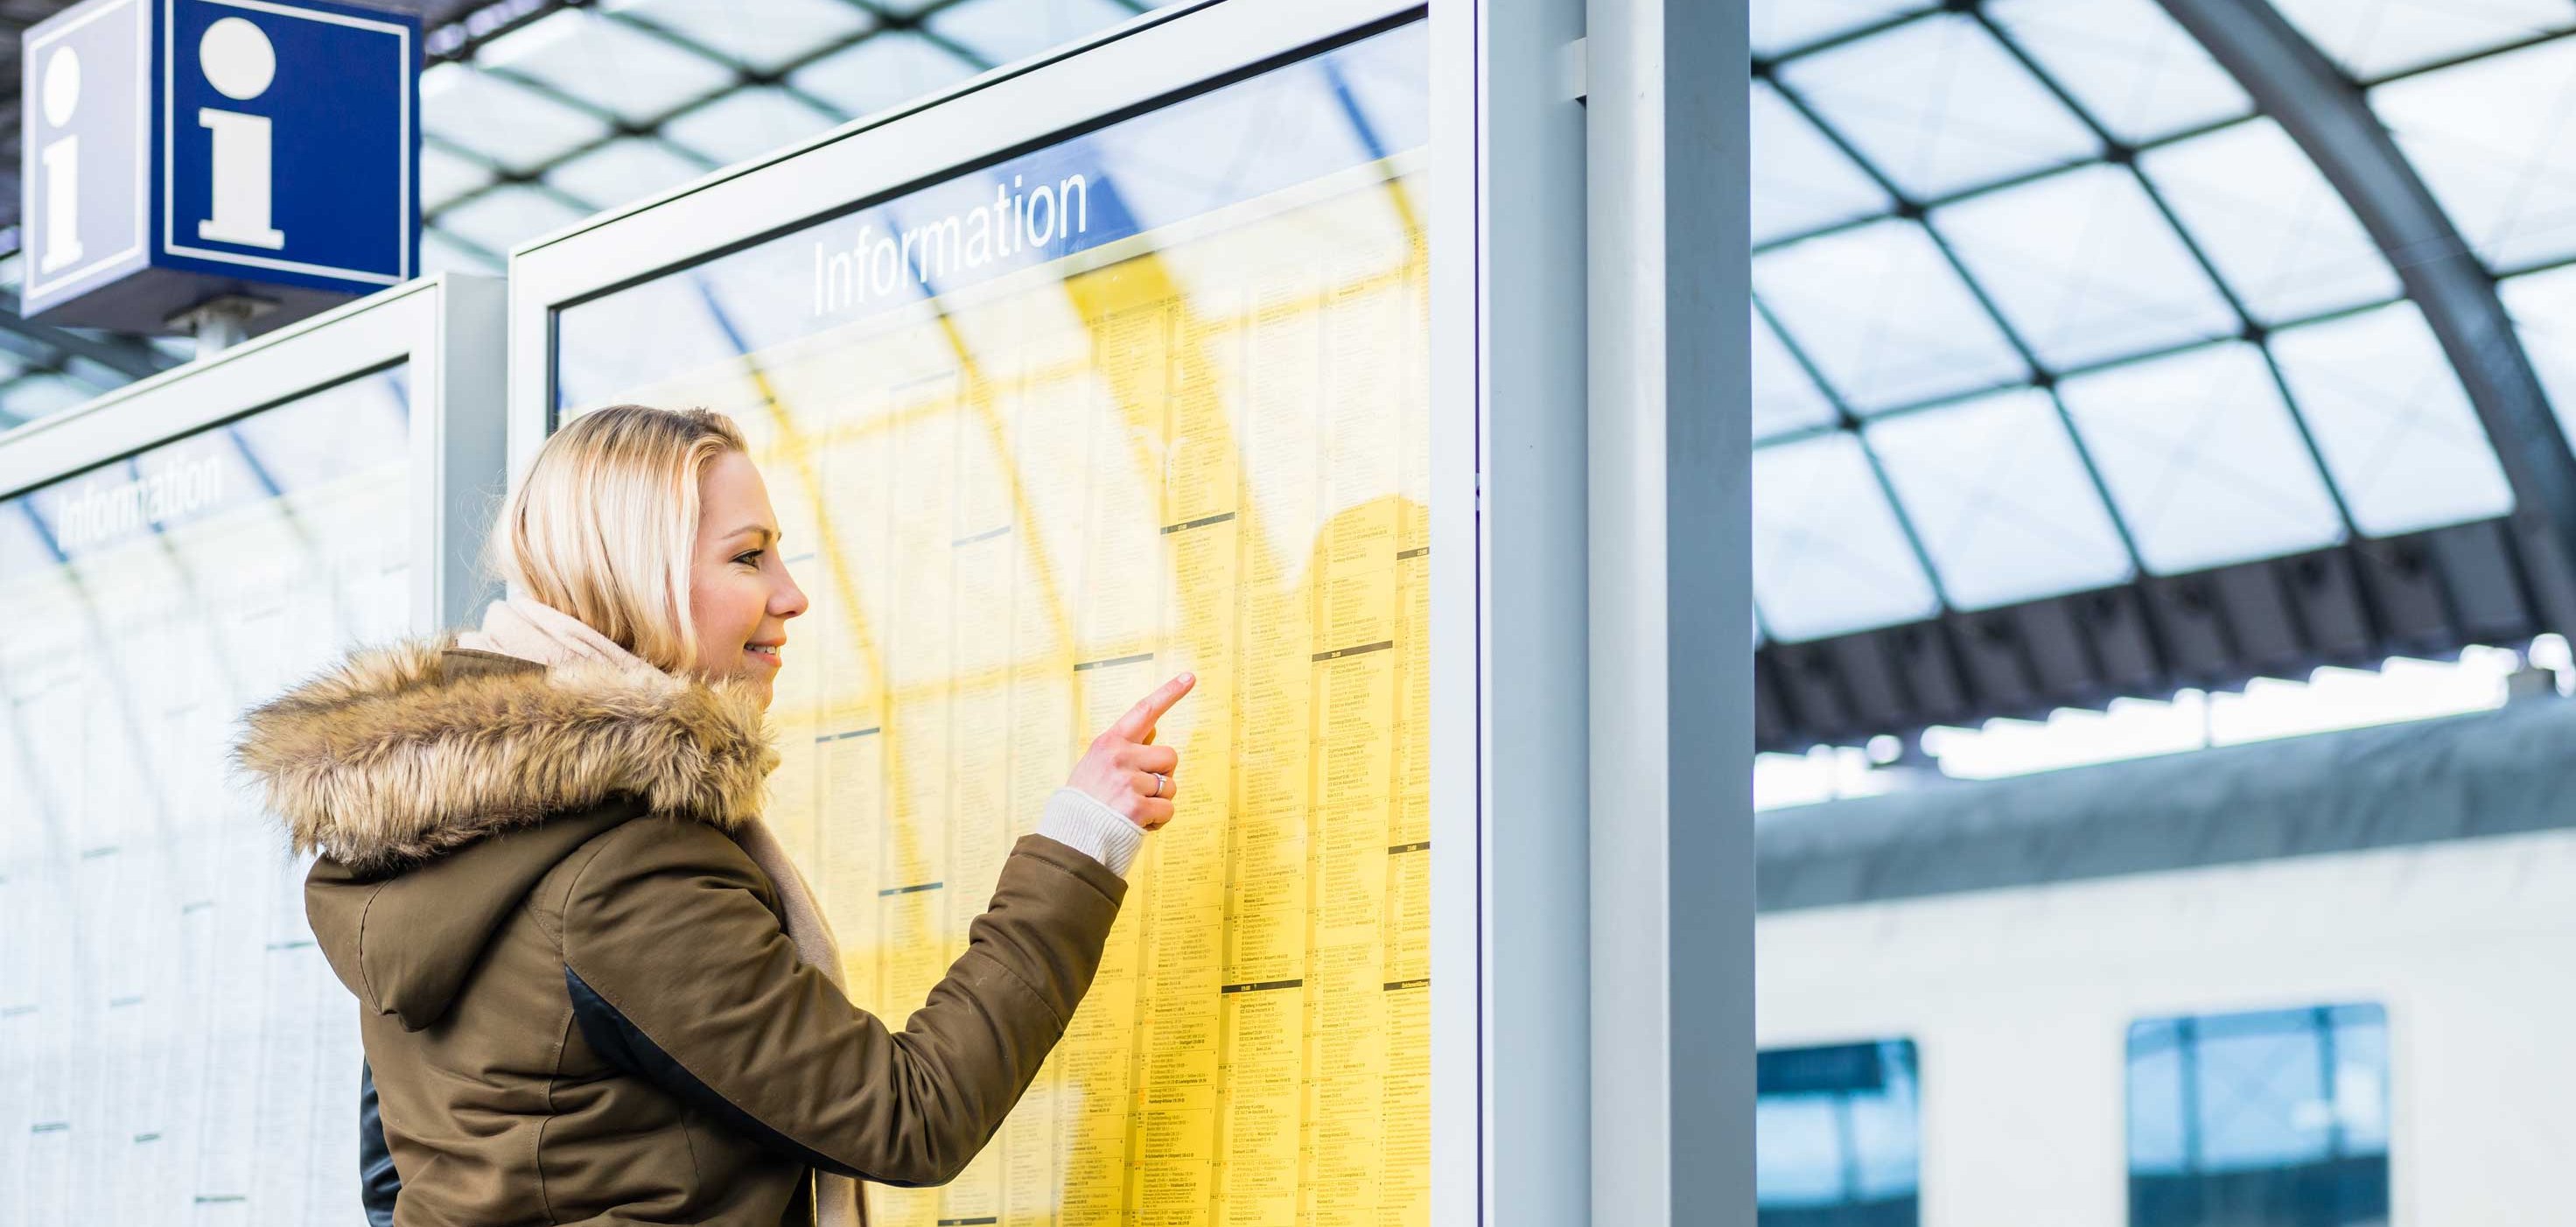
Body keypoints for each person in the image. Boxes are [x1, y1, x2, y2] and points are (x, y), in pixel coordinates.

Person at [233, 404, 1193, 1227]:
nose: (792, 594)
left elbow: (395, 1175)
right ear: (634, 574)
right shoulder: (623, 870)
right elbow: (912, 1114)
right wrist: (1081, 839)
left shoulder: (427, 830)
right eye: (749, 556)